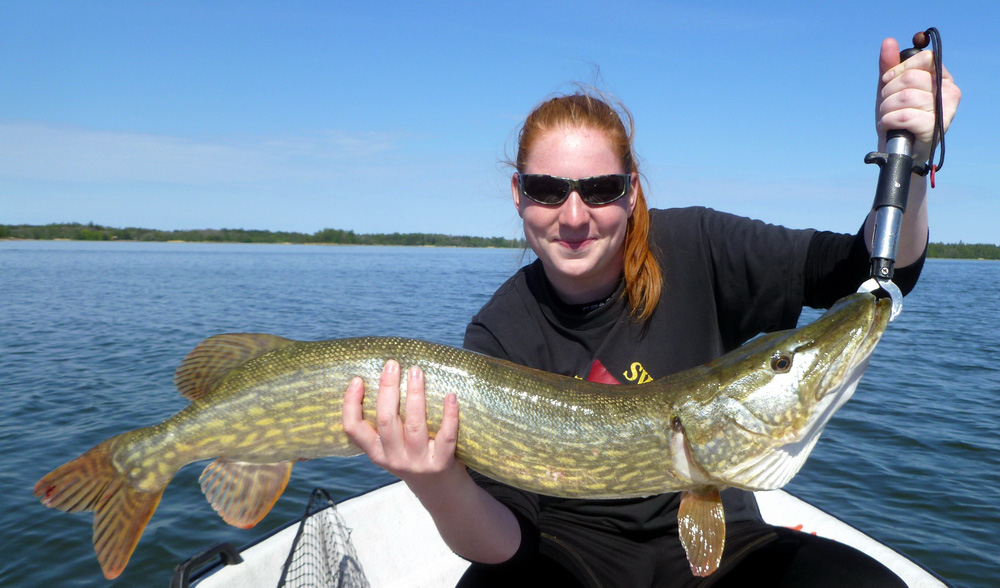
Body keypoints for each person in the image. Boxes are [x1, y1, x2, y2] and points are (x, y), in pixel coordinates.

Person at [342, 38, 961, 587]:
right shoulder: (501, 329)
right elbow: (506, 544)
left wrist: (910, 158)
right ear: (519, 195)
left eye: (602, 189)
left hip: (729, 541)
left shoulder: (698, 246)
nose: (575, 215)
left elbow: (874, 273)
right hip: (568, 549)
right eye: (548, 190)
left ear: (632, 189)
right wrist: (435, 481)